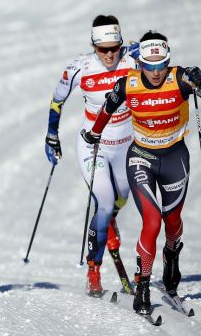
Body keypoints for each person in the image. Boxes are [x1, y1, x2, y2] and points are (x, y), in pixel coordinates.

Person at [82, 30, 201, 314]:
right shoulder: (129, 84)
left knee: (172, 223)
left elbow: (194, 80)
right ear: (141, 64)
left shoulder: (179, 78)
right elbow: (107, 109)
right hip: (141, 158)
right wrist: (94, 134)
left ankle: (172, 258)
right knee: (152, 222)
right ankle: (143, 284)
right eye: (149, 66)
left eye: (161, 66)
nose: (156, 72)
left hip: (175, 158)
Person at [45, 15, 138, 297]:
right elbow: (56, 100)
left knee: (121, 198)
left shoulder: (133, 60)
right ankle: (93, 270)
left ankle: (109, 221)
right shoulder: (78, 68)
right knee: (106, 204)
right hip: (92, 144)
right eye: (103, 50)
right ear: (93, 46)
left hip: (126, 143)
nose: (110, 55)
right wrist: (51, 135)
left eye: (115, 48)